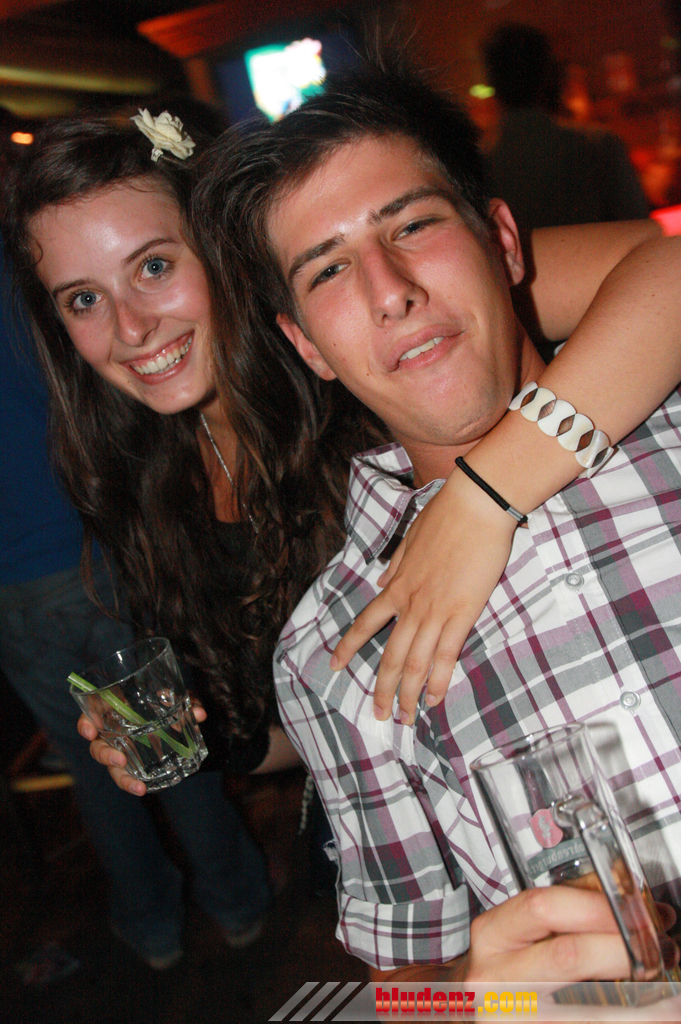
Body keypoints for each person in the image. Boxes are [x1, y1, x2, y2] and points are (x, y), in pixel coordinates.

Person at [190, 60, 681, 984]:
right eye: (328, 269)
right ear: (305, 346)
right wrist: (492, 1004)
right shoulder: (333, 654)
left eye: (412, 225)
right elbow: (408, 995)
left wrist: (485, 498)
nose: (389, 289)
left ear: (503, 241)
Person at [0, 192, 273, 971]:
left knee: (107, 759)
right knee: (157, 736)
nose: (124, 322)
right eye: (87, 301)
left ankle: (152, 927)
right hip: (98, 551)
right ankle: (239, 903)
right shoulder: (27, 268)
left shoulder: (52, 259)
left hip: (30, 582)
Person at [482, 23, 649, 236]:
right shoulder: (599, 146)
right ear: (548, 74)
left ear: (494, 81)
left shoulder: (481, 164)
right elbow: (639, 227)